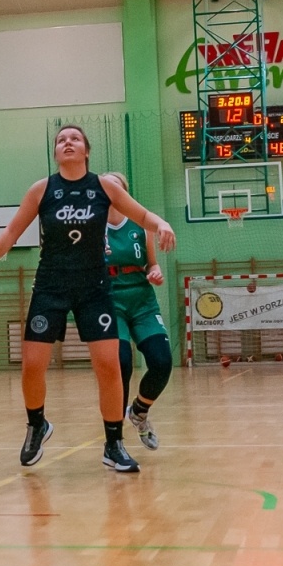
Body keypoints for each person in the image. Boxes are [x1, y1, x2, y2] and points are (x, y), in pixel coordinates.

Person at [0, 130, 177, 473]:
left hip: (94, 287)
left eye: (75, 139)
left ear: (87, 150)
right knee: (32, 365)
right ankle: (37, 424)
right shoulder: (41, 189)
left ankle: (113, 444)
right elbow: (11, 232)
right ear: (56, 153)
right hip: (51, 285)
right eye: (61, 140)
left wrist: (162, 223)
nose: (67, 142)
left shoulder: (104, 187)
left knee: (109, 366)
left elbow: (143, 215)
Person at [99, 171, 174, 453]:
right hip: (109, 300)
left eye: (115, 186)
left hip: (142, 301)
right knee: (121, 363)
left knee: (162, 361)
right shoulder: (93, 227)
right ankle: (115, 438)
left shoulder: (141, 226)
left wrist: (155, 272)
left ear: (124, 193)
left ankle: (140, 411)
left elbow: (152, 264)